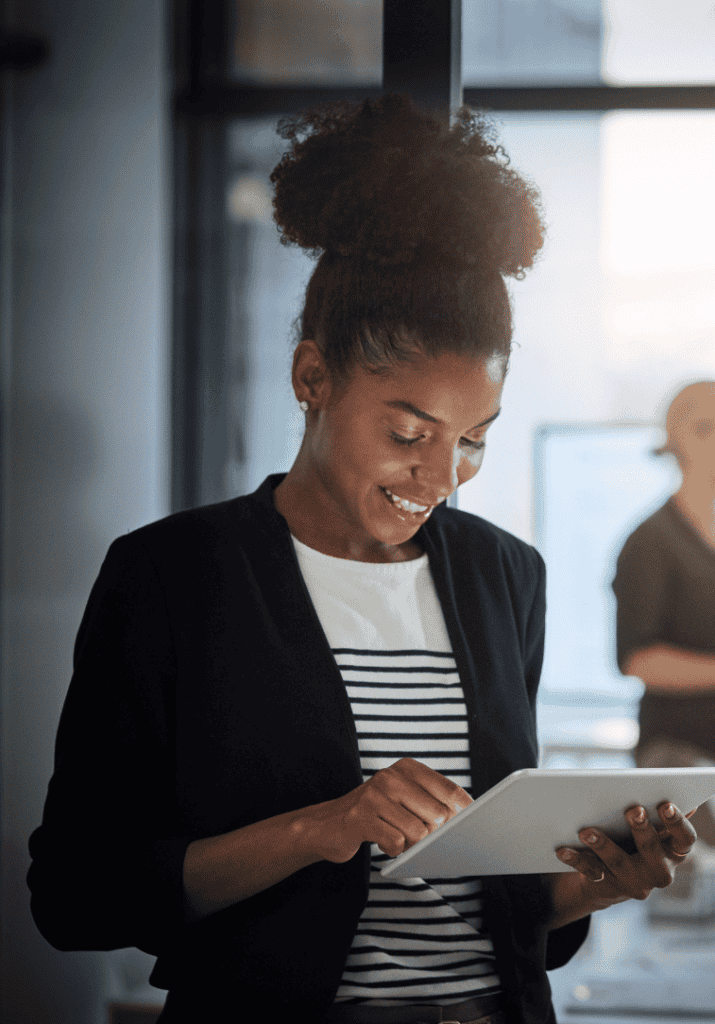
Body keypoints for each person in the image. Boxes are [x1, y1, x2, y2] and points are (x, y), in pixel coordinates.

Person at [28, 96, 696, 1024]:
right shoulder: (172, 578)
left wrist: (596, 882)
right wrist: (324, 827)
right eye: (408, 432)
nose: (442, 476)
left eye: (474, 439)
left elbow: (506, 914)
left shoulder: (505, 576)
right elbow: (77, 896)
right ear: (312, 379)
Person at [613, 381, 715, 848]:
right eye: (705, 428)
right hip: (679, 750)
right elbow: (639, 661)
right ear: (675, 442)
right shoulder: (650, 542)